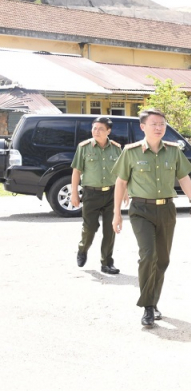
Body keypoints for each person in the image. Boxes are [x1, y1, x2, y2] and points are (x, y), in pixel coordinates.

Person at [111, 109, 191, 328]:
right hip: (140, 209)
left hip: (167, 210)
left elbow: (184, 177)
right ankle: (148, 307)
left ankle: (152, 301)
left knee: (162, 259)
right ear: (143, 127)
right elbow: (121, 183)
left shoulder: (173, 151)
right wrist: (116, 214)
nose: (159, 128)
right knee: (148, 255)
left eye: (162, 124)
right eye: (154, 124)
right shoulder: (130, 152)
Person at [70, 117, 123, 274]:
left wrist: (124, 192)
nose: (96, 131)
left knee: (110, 229)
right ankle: (82, 249)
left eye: (100, 128)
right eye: (94, 128)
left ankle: (106, 262)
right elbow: (76, 171)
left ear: (108, 131)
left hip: (112, 194)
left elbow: (122, 173)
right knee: (90, 228)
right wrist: (74, 193)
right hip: (91, 194)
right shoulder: (84, 147)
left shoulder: (116, 148)